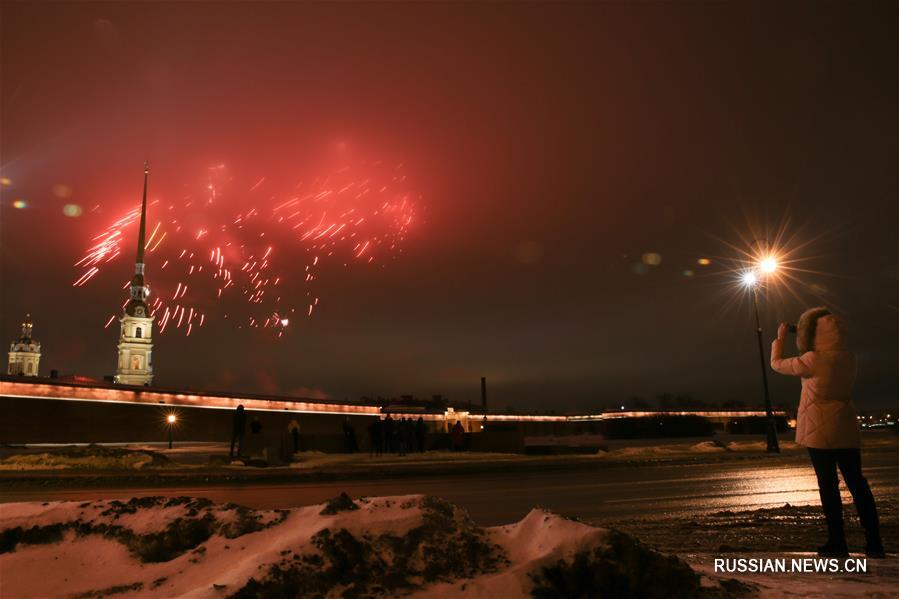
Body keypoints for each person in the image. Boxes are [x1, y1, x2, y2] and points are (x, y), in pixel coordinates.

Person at [771, 307, 884, 558]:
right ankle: (874, 542)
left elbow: (777, 364)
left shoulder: (812, 360)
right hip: (845, 427)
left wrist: (780, 339)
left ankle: (838, 541)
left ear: (813, 334)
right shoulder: (848, 358)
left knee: (829, 486)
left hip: (819, 431)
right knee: (858, 484)